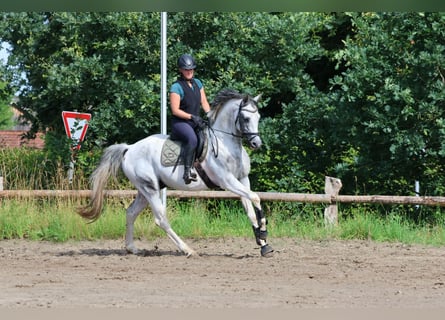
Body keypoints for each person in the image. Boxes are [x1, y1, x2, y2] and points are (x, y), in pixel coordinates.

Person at [169, 53, 211, 184]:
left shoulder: (198, 83)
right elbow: (175, 110)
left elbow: (204, 102)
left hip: (194, 121)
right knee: (192, 139)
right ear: (181, 70)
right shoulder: (176, 87)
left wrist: (210, 115)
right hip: (180, 122)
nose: (189, 72)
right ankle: (187, 172)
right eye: (186, 69)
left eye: (191, 69)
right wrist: (192, 117)